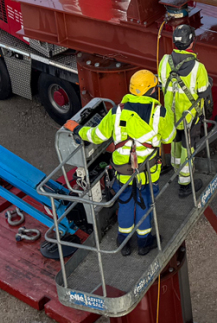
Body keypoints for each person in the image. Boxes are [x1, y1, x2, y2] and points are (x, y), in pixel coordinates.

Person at [70, 69, 173, 256]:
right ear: (152, 90)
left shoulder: (117, 111)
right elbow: (169, 137)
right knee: (145, 202)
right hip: (148, 173)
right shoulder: (160, 113)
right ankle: (144, 243)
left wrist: (78, 130)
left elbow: (97, 135)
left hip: (123, 172)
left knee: (126, 202)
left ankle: (123, 242)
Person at [158, 24, 212, 199]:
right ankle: (185, 184)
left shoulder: (165, 61)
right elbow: (204, 91)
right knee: (187, 150)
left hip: (170, 116)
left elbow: (162, 82)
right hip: (189, 117)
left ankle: (176, 173)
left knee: (174, 145)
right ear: (192, 42)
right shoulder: (198, 68)